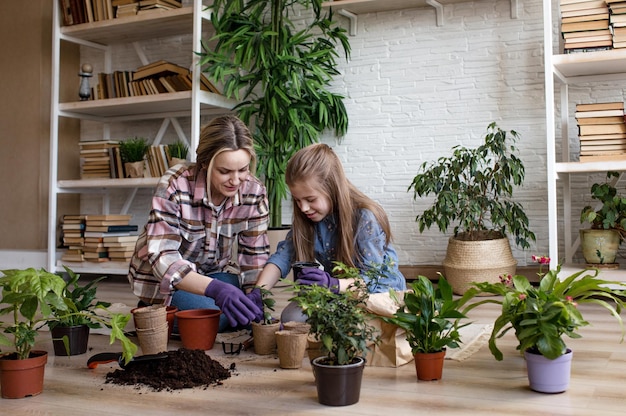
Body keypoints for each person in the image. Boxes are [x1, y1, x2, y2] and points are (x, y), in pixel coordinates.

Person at [128, 115, 269, 332]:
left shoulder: (254, 192)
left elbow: (254, 255)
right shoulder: (176, 184)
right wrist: (216, 290)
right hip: (166, 282)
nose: (235, 180)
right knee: (217, 319)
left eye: (243, 169)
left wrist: (256, 295)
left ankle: (175, 316)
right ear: (204, 162)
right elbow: (163, 256)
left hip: (214, 276)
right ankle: (153, 311)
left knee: (243, 311)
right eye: (225, 171)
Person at [254, 143, 406, 303]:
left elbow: (370, 281)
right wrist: (258, 293)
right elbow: (282, 258)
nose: (303, 208)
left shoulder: (365, 217)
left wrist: (332, 284)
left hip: (381, 296)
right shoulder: (308, 219)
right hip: (341, 294)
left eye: (310, 199)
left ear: (332, 188)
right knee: (292, 316)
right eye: (297, 200)